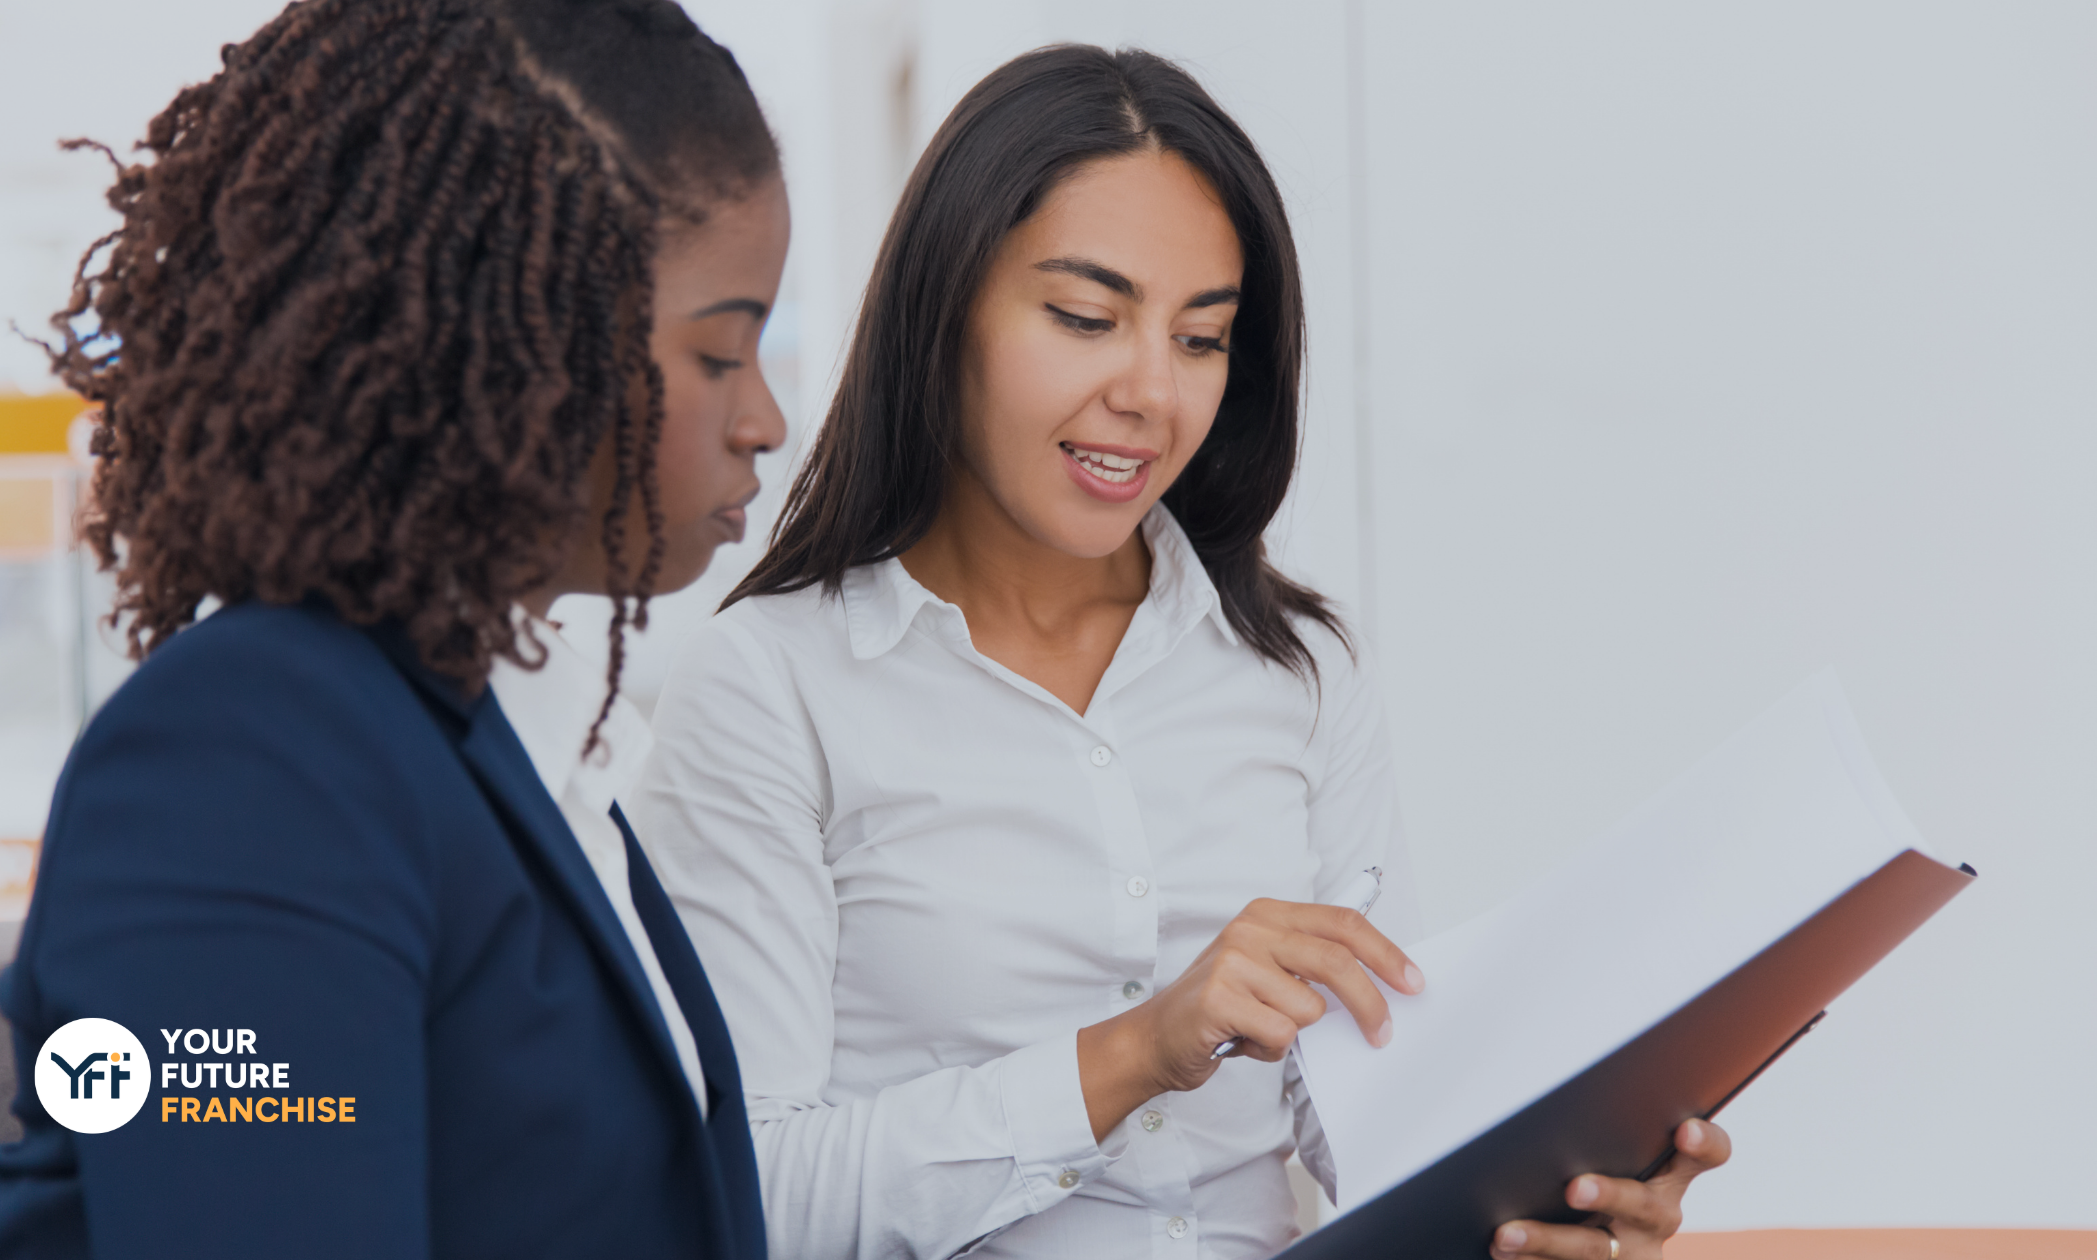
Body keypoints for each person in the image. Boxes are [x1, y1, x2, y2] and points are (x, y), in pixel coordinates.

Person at [629, 44, 1729, 1260]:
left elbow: (1374, 1122)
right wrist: (1132, 1054)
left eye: (1201, 339)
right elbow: (747, 1196)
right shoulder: (771, 687)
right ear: (943, 317)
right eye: (1086, 318)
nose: (1152, 393)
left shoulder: (1294, 668)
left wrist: (1548, 1192)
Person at [0, 2, 787, 1257]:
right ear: (519, 337)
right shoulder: (249, 760)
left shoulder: (513, 745)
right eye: (723, 352)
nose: (766, 420)